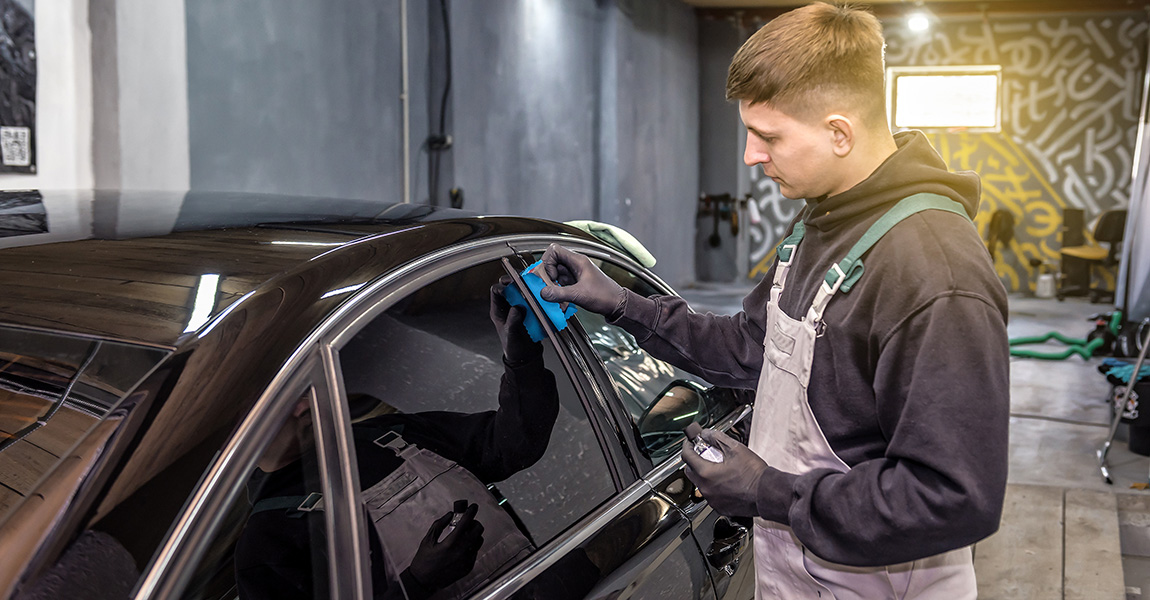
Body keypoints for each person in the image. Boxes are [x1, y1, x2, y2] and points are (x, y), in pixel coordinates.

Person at [539, 3, 1009, 598]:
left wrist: (767, 490)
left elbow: (952, 497)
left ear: (839, 132)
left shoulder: (933, 272)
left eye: (768, 136)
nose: (750, 156)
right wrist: (622, 302)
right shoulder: (825, 220)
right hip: (803, 574)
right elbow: (749, 347)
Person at [234, 279, 561, 600]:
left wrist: (521, 360)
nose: (304, 405)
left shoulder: (387, 434)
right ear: (237, 438)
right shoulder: (264, 548)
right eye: (279, 404)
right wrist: (417, 584)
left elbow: (513, 445)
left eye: (297, 390)